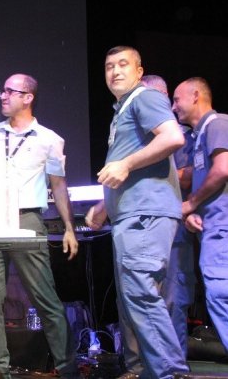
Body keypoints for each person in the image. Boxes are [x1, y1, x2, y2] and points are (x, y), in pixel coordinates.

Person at [85, 46, 188, 379]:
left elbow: (172, 137)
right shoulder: (124, 109)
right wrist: (105, 205)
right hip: (132, 213)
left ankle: (169, 373)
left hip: (145, 213)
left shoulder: (145, 97)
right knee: (136, 298)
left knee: (141, 295)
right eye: (108, 66)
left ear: (139, 71)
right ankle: (162, 370)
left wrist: (126, 164)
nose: (115, 71)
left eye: (123, 64)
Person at [0, 73, 80, 379]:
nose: (3, 96)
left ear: (28, 98)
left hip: (27, 220)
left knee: (45, 299)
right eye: (3, 90)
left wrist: (69, 227)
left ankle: (67, 367)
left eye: (10, 91)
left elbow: (58, 185)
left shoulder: (49, 139)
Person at [141, 74, 196, 357]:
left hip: (174, 232)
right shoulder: (138, 139)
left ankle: (174, 366)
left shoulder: (182, 136)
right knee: (146, 298)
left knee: (173, 298)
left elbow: (190, 175)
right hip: (145, 228)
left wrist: (142, 170)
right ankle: (151, 365)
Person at [172, 77, 228, 352]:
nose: (173, 107)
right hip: (213, 226)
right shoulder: (198, 137)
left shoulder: (216, 124)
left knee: (220, 294)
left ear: (195, 96)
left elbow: (223, 169)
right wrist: (195, 213)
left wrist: (191, 203)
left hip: (223, 226)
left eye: (176, 99)